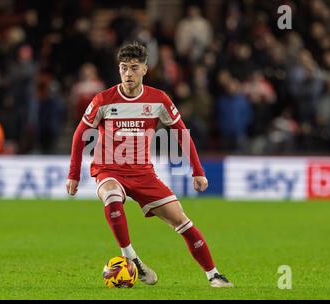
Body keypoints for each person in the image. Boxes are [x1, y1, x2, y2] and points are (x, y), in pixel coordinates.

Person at [66, 43, 233, 288]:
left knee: (183, 222)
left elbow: (181, 135)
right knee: (112, 195)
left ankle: (214, 275)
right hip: (109, 170)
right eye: (124, 68)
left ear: (145, 69)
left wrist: (198, 171)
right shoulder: (103, 100)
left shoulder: (158, 100)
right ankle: (132, 258)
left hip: (144, 174)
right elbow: (80, 134)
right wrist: (74, 175)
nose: (128, 73)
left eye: (134, 68)